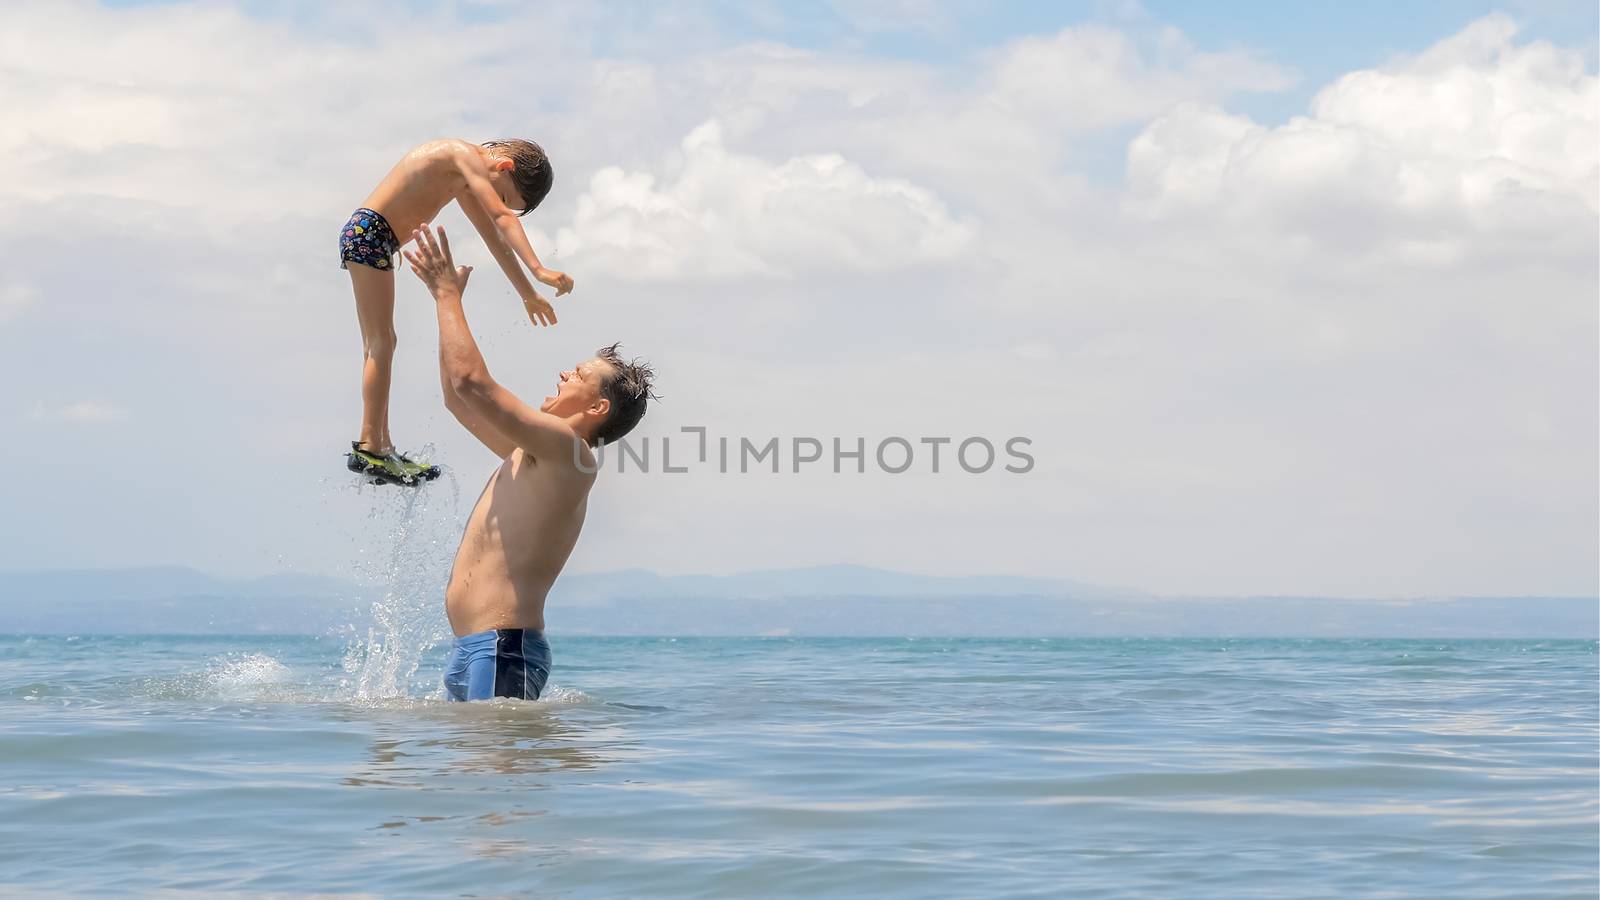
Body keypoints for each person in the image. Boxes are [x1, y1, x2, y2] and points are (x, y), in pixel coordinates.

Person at [403, 224, 655, 701]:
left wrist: (445, 295)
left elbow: (473, 384)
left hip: (503, 649)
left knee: (494, 775)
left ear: (598, 408)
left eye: (578, 374)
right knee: (476, 775)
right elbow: (459, 398)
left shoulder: (570, 453)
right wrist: (446, 301)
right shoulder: (536, 456)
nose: (564, 372)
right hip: (474, 649)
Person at [339, 139, 576, 483]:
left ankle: (380, 445)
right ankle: (371, 445)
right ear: (505, 167)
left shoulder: (463, 178)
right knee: (381, 342)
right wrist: (538, 268)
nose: (500, 203)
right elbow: (500, 217)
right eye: (507, 197)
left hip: (372, 238)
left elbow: (493, 236)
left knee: (381, 342)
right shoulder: (461, 155)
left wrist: (528, 293)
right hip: (369, 234)